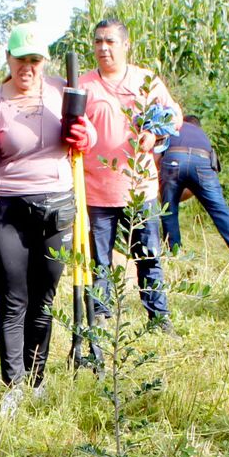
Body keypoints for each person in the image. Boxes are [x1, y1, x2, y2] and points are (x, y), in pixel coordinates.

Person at [0, 23, 95, 409]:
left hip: (57, 205)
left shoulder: (62, 90)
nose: (27, 68)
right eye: (20, 60)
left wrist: (84, 136)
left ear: (44, 62)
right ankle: (13, 385)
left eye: (34, 60)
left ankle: (37, 377)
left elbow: (86, 135)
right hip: (4, 208)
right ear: (7, 60)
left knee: (44, 298)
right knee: (14, 299)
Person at [79, 17, 181, 327]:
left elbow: (174, 116)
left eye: (110, 41)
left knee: (148, 256)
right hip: (96, 192)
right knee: (100, 263)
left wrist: (156, 133)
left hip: (140, 189)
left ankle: (158, 319)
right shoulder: (83, 85)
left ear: (126, 45)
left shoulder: (145, 81)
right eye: (98, 41)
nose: (103, 48)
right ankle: (100, 320)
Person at [158, 114, 229, 265]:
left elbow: (158, 160)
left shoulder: (173, 127)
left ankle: (173, 257)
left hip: (173, 159)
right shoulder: (202, 136)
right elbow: (203, 180)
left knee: (168, 211)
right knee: (220, 210)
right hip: (202, 161)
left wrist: (163, 194)